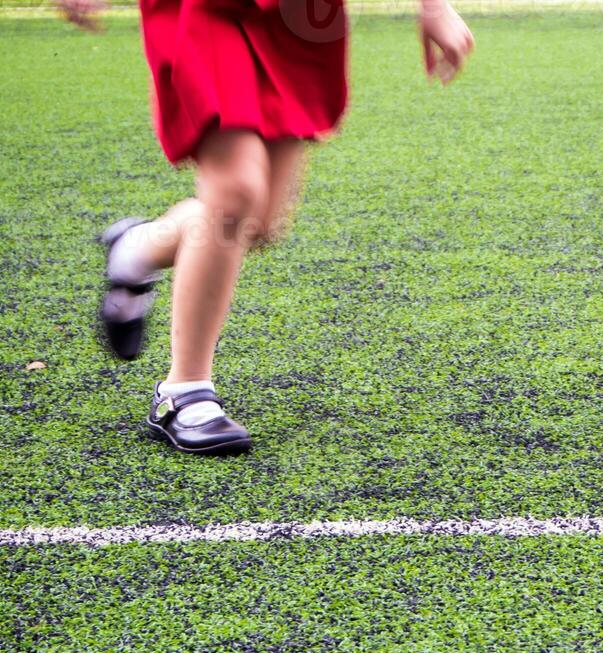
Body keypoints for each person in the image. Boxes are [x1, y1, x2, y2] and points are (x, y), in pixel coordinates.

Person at [58, 0, 474, 453]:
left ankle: (137, 248)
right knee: (235, 197)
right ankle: (184, 392)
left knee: (254, 226)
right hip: (202, 11)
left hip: (297, 18)